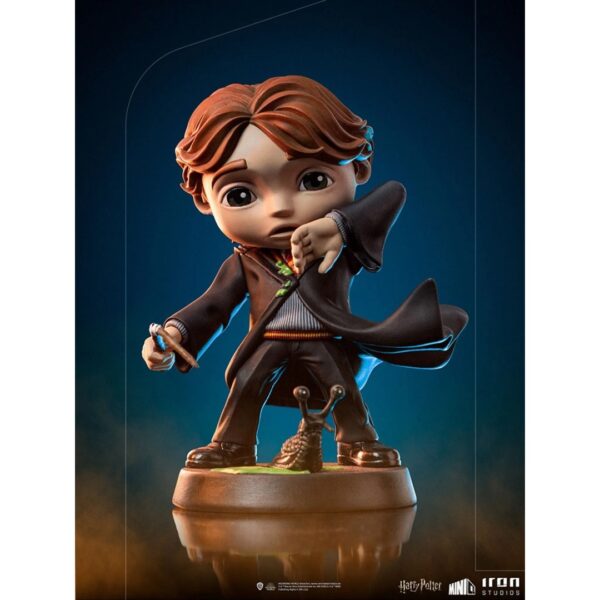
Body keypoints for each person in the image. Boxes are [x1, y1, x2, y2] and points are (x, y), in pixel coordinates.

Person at [141, 75, 468, 468]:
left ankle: (357, 441)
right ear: (204, 199)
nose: (280, 207)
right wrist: (173, 335)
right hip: (268, 340)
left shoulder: (337, 245)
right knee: (246, 385)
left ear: (359, 167)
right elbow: (214, 306)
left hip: (324, 337)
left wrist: (338, 226)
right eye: (241, 194)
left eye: (312, 180)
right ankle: (231, 444)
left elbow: (392, 194)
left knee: (341, 388)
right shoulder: (246, 261)